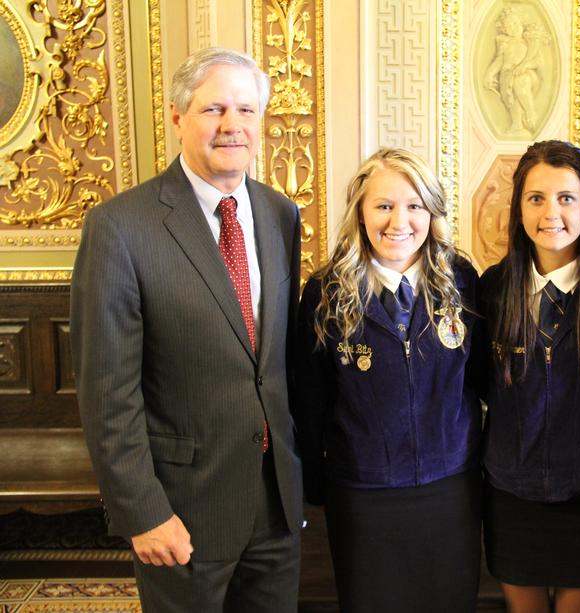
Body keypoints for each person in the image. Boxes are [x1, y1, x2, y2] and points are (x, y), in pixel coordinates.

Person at [70, 47, 303, 612]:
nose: (233, 126)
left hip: (274, 506)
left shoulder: (280, 214)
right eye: (214, 109)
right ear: (178, 118)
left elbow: (275, 360)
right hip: (181, 512)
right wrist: (143, 512)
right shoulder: (120, 228)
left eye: (247, 111)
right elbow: (108, 393)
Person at [296, 147, 481, 612]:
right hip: (363, 493)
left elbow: (479, 381)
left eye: (414, 205)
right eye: (384, 205)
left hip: (448, 487)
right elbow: (309, 398)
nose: (400, 220)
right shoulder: (325, 292)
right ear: (360, 211)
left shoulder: (461, 279)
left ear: (432, 212)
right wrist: (313, 485)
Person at [477, 140, 580, 613]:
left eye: (566, 198)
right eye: (536, 198)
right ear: (519, 206)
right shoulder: (493, 288)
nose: (551, 213)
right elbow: (481, 384)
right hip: (511, 492)